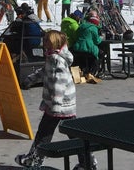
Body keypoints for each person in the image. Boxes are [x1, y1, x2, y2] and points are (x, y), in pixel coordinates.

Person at [15, 30, 91, 170]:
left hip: (58, 104)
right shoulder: (53, 57)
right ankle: (88, 163)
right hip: (63, 104)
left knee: (44, 133)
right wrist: (31, 79)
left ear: (55, 43)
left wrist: (56, 105)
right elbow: (45, 71)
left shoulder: (57, 60)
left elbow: (59, 83)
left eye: (47, 41)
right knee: (71, 133)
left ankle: (35, 159)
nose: (44, 44)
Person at [72, 11, 103, 83]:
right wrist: (101, 38)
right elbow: (97, 41)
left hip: (78, 47)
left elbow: (76, 36)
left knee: (82, 58)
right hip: (88, 48)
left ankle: (81, 73)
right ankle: (92, 73)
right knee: (99, 54)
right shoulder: (93, 28)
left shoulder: (81, 26)